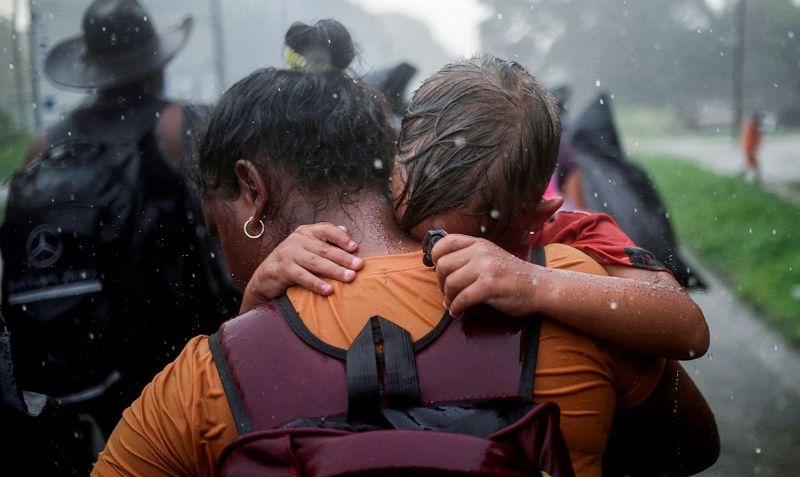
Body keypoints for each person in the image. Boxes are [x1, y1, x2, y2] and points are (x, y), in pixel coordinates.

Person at [94, 21, 718, 477]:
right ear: (389, 168)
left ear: (252, 191)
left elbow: (686, 323)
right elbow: (691, 448)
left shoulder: (213, 374)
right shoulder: (574, 295)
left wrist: (249, 328)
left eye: (215, 221)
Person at [0, 0, 238, 472]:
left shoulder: (45, 146)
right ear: (156, 62)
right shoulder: (178, 125)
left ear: (90, 67)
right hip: (167, 356)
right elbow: (228, 227)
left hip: (71, 373)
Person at [741, 112, 764, 183]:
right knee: (755, 165)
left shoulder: (752, 127)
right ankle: (757, 180)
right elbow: (749, 140)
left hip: (749, 149)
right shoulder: (752, 127)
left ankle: (742, 177)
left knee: (749, 165)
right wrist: (752, 149)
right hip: (750, 150)